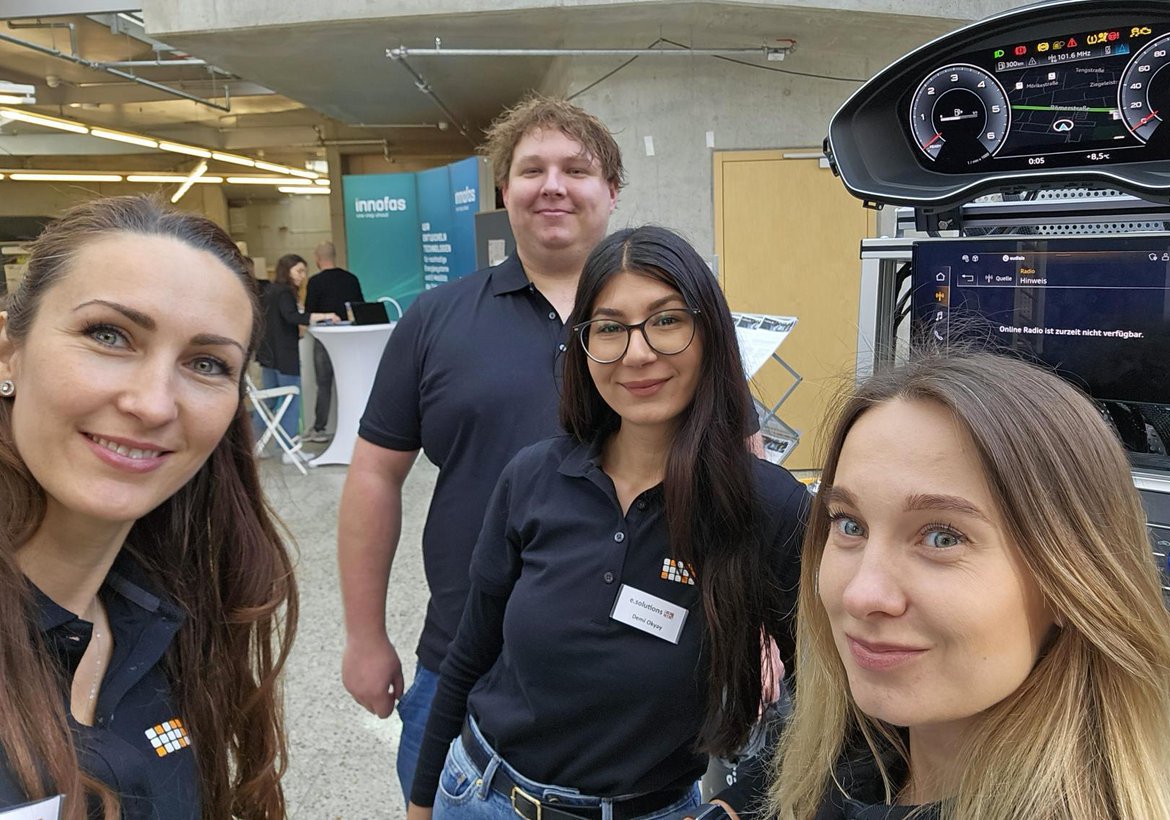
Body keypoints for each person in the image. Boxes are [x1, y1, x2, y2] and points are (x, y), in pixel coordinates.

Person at [408, 225, 809, 820]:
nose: (638, 352)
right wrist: (422, 801)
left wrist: (736, 804)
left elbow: (828, 702)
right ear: (585, 345)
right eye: (610, 328)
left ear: (710, 334)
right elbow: (470, 654)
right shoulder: (533, 478)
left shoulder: (768, 507)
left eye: (667, 320)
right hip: (480, 795)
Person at [338, 94, 624, 803]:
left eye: (576, 169)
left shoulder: (667, 320)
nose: (553, 185)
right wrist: (364, 637)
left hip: (633, 660)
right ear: (505, 192)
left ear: (611, 190)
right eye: (532, 170)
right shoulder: (437, 319)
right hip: (464, 661)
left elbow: (733, 465)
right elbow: (374, 476)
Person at [771, 349, 1170, 820]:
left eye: (942, 537)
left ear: (1071, 582)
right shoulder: (851, 767)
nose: (861, 594)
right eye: (850, 525)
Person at [0, 195, 298, 819]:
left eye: (207, 363)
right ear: (9, 354)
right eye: (109, 335)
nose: (155, 404)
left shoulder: (175, 617)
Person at [258, 253, 336, 450]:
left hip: (269, 356)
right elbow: (292, 317)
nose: (302, 276)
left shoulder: (270, 290)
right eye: (299, 271)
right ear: (288, 270)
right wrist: (323, 315)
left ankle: (254, 443)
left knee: (267, 401)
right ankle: (287, 448)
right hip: (285, 357)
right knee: (291, 401)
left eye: (304, 272)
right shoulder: (285, 293)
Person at [303, 241, 363, 444]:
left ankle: (319, 428)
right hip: (350, 340)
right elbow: (359, 308)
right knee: (351, 383)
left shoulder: (315, 282)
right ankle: (358, 425)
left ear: (318, 259)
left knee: (324, 384)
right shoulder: (351, 279)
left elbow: (309, 312)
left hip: (325, 338)